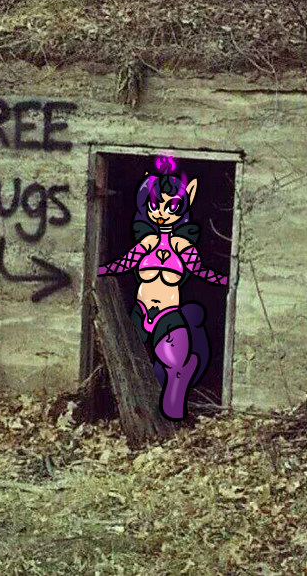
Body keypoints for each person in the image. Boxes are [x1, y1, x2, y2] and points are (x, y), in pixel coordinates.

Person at [97, 156, 228, 420]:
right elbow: (122, 264)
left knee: (174, 364)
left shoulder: (183, 246)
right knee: (129, 361)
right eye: (156, 205)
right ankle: (133, 411)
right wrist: (94, 271)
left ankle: (173, 409)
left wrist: (229, 281)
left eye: (172, 206)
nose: (162, 212)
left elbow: (201, 272)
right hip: (141, 311)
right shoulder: (146, 243)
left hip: (168, 313)